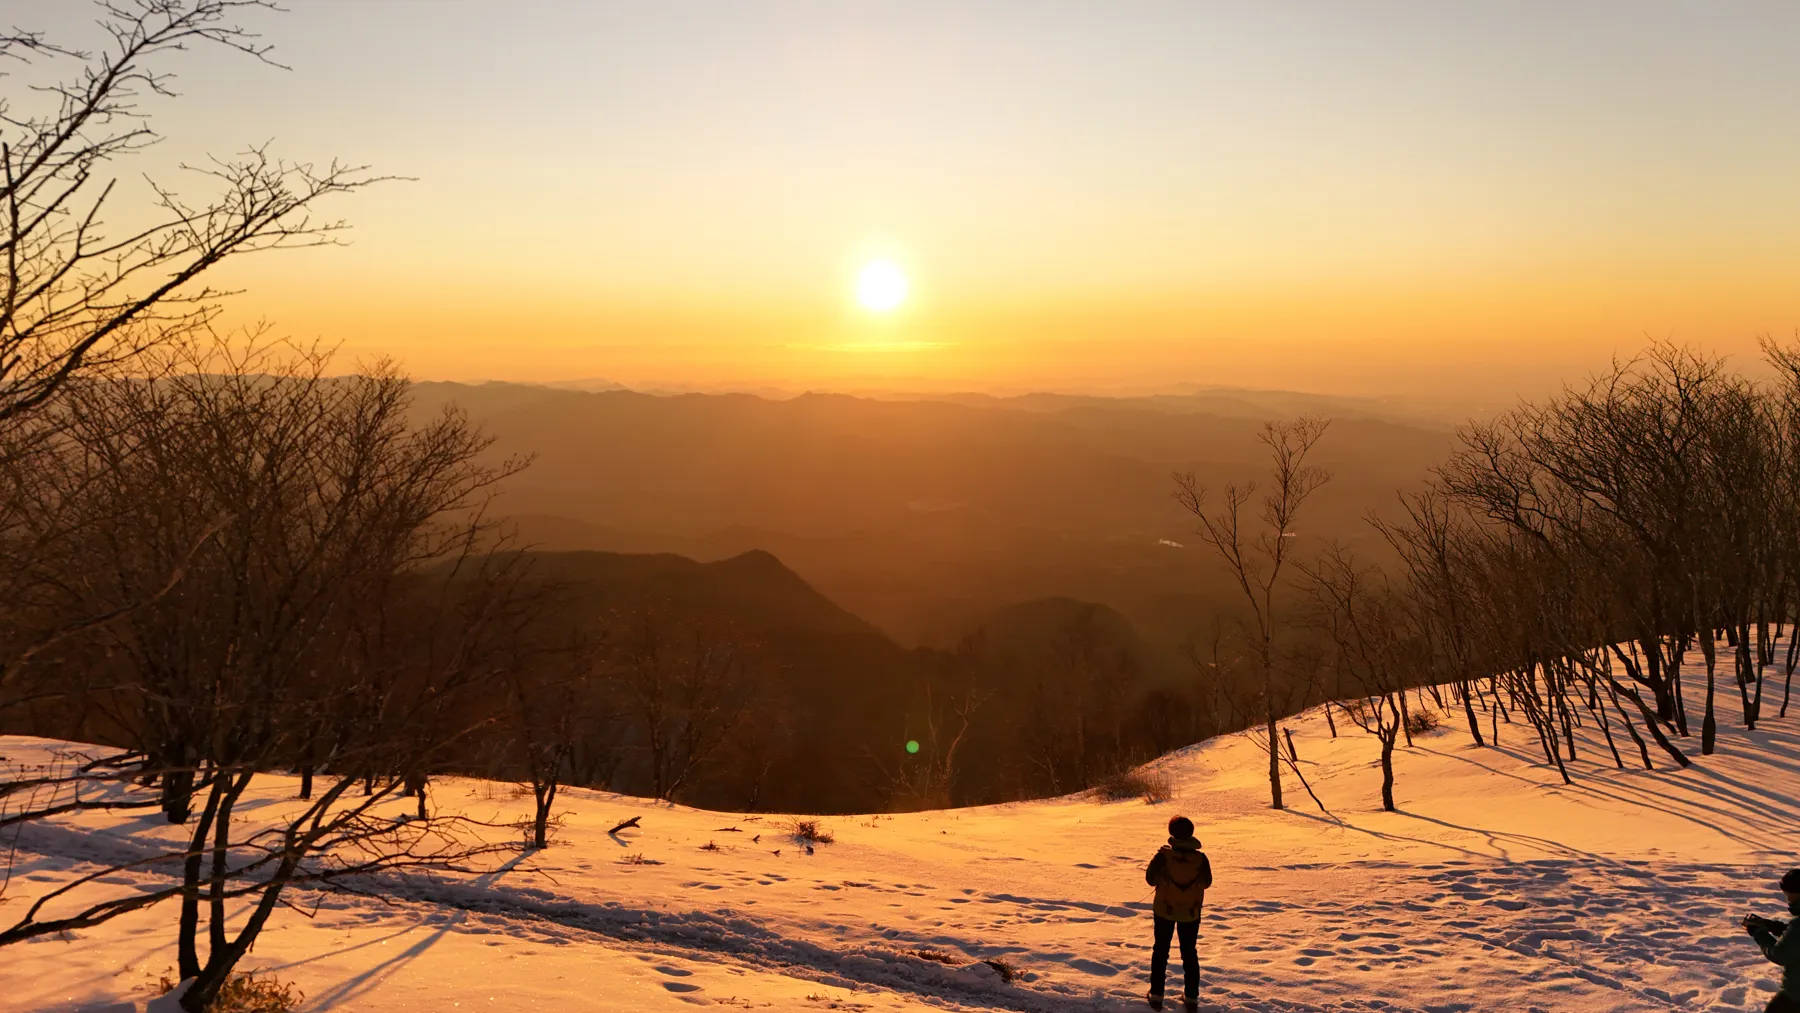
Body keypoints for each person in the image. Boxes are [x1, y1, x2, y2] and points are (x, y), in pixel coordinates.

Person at [1144, 815, 1212, 1010]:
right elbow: (1206, 883)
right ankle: (1191, 998)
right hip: (1190, 913)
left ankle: (1156, 995)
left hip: (1164, 910)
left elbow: (1150, 879)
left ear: (1171, 833)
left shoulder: (1163, 856)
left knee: (1160, 952)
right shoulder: (1200, 858)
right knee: (1189, 953)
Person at [1745, 869, 1800, 1012]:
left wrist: (1758, 933)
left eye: (1789, 895)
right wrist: (1771, 926)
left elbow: (1780, 954)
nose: (1788, 900)